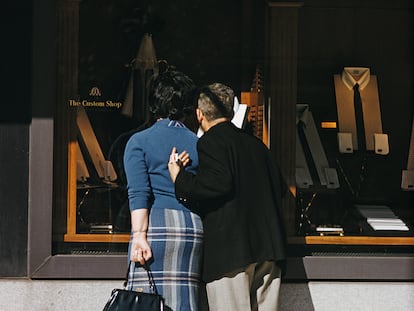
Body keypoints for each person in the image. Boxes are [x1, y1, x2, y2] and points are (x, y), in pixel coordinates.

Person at [168, 83, 288, 311]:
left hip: (231, 252)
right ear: (231, 111)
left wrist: (179, 178)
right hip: (269, 249)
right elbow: (280, 187)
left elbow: (216, 184)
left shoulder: (211, 142)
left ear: (199, 114)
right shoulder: (257, 145)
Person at [123, 69, 203, 311]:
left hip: (155, 227)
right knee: (184, 302)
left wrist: (139, 235)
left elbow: (138, 193)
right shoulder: (200, 143)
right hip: (192, 226)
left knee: (146, 303)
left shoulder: (139, 141)